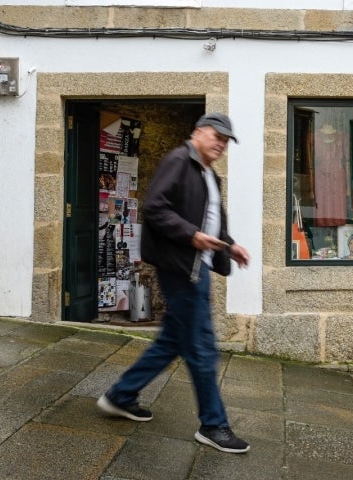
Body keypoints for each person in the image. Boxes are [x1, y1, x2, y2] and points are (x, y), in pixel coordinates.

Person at [96, 112, 252, 454]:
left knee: (172, 341)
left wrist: (230, 244)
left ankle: (121, 395)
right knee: (201, 347)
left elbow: (210, 223)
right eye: (217, 136)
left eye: (226, 141)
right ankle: (213, 424)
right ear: (197, 132)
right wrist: (192, 236)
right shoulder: (180, 160)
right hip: (182, 268)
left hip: (199, 267)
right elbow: (155, 208)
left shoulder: (209, 174)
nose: (221, 144)